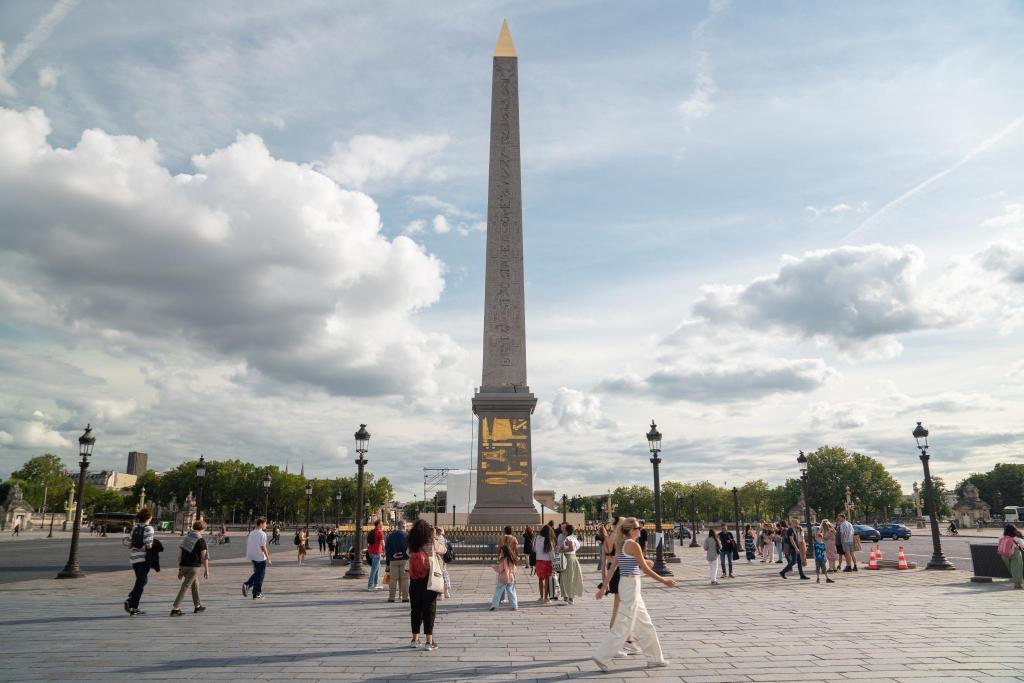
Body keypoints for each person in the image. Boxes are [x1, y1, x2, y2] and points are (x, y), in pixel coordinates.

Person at [593, 517, 674, 672]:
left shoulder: (622, 544)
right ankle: (601, 655)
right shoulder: (633, 545)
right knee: (623, 624)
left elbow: (613, 568)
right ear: (631, 530)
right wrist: (664, 580)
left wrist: (603, 588)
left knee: (645, 624)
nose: (640, 530)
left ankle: (655, 659)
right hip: (631, 585)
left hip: (627, 585)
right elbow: (645, 568)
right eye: (638, 528)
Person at [407, 519, 439, 650]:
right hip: (428, 579)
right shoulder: (431, 542)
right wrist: (434, 536)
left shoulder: (411, 544)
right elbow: (443, 550)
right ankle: (429, 642)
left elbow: (407, 554)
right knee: (429, 610)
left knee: (415, 609)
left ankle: (415, 639)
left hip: (414, 579)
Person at [170, 519, 210, 616]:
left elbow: (180, 555)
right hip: (193, 567)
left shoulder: (187, 538)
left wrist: (180, 569)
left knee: (195, 584)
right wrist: (206, 570)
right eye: (204, 529)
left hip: (184, 565)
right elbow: (204, 557)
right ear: (202, 529)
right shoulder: (201, 540)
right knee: (185, 586)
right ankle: (175, 608)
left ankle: (198, 606)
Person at [124, 508, 155, 616]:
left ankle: (132, 598)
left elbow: (129, 545)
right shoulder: (149, 528)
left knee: (142, 580)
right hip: (143, 558)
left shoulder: (135, 527)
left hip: (134, 558)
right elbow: (148, 545)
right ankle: (133, 605)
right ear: (149, 517)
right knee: (141, 583)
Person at [242, 517, 272, 600]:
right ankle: (256, 592)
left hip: (252, 556)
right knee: (260, 575)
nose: (267, 525)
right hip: (259, 557)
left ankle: (252, 590)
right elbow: (263, 547)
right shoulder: (262, 534)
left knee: (257, 573)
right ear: (261, 524)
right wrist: (268, 558)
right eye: (266, 523)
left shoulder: (251, 533)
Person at [386, 520, 410, 603]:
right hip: (405, 559)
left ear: (398, 526)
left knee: (393, 579)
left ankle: (391, 597)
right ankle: (405, 597)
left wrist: (392, 555)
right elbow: (410, 549)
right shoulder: (408, 536)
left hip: (393, 560)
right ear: (404, 526)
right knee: (405, 579)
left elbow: (387, 549)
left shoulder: (391, 536)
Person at [559, 523, 584, 605]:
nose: (562, 530)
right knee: (572, 578)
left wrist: (561, 550)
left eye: (564, 529)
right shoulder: (574, 538)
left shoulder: (568, 538)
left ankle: (565, 599)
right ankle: (571, 598)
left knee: (565, 578)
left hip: (568, 558)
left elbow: (571, 548)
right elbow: (575, 548)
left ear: (566, 530)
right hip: (573, 558)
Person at [490, 542, 519, 610]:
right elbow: (514, 569)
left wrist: (494, 566)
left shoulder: (503, 560)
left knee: (498, 591)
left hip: (503, 577)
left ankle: (494, 605)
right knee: (512, 592)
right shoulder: (512, 559)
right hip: (511, 577)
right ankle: (514, 605)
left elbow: (500, 569)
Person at [997, 524, 1024, 589]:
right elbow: (1022, 546)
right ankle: (1018, 584)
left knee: (1012, 569)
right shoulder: (1016, 538)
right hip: (1015, 554)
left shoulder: (1002, 537)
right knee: (1017, 569)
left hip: (1004, 554)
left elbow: (998, 544)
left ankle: (1016, 583)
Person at [533, 524, 555, 602]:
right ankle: (546, 597)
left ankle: (541, 596)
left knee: (540, 579)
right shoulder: (549, 540)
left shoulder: (537, 538)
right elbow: (551, 553)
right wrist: (554, 562)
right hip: (547, 562)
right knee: (547, 579)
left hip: (539, 561)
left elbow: (534, 549)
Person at [434, 526, 453, 598]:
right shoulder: (443, 538)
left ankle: (440, 592)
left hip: (437, 559)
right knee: (444, 574)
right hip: (443, 559)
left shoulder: (436, 539)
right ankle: (446, 591)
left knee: (438, 575)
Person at [366, 521, 384, 590]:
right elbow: (383, 543)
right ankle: (370, 585)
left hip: (371, 552)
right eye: (381, 523)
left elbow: (367, 542)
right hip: (377, 553)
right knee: (374, 569)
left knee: (377, 568)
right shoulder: (380, 532)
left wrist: (369, 549)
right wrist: (385, 551)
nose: (382, 524)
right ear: (379, 524)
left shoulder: (371, 531)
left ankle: (376, 584)